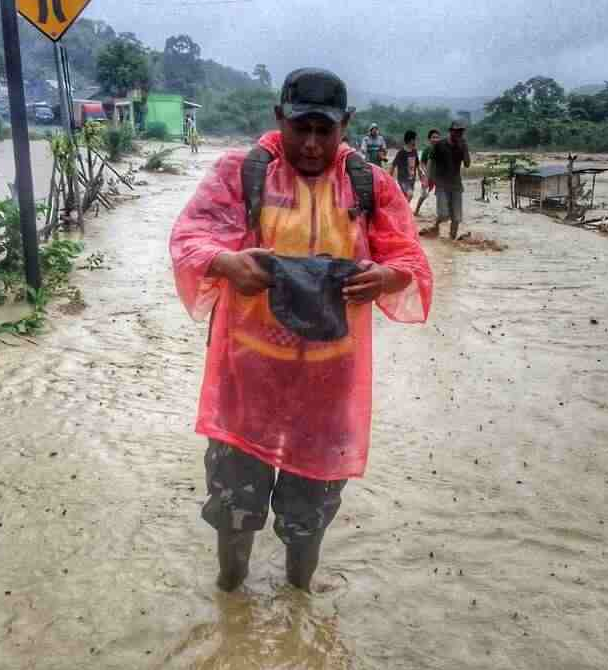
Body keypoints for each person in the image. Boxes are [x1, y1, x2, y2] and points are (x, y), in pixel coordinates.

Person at [170, 68, 432, 593]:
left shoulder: (369, 185)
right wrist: (226, 262)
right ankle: (231, 598)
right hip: (247, 380)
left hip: (329, 389)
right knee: (234, 511)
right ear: (279, 119)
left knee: (308, 518)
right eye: (300, 129)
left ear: (346, 126)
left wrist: (386, 275)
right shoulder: (239, 173)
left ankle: (298, 599)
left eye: (325, 131)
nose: (311, 144)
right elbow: (188, 239)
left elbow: (412, 261)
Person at [427, 120, 471, 239]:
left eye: (461, 132)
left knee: (456, 218)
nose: (459, 134)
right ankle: (435, 225)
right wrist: (429, 179)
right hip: (441, 184)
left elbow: (467, 164)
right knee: (444, 214)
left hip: (456, 185)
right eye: (456, 131)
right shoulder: (440, 145)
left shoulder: (462, 145)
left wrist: (465, 148)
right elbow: (431, 162)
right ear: (451, 131)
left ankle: (451, 241)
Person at [414, 128, 441, 216]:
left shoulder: (442, 150)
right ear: (429, 139)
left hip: (439, 176)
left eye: (437, 137)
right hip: (428, 176)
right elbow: (422, 163)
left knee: (441, 194)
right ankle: (417, 210)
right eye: (433, 137)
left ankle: (441, 213)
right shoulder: (427, 150)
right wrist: (426, 173)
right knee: (424, 195)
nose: (435, 139)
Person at [390, 130, 420, 202]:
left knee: (405, 196)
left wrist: (421, 174)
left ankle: (402, 210)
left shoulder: (414, 151)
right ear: (410, 140)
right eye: (415, 139)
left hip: (412, 178)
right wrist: (390, 177)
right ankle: (405, 210)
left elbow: (417, 164)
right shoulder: (401, 152)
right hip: (403, 179)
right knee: (410, 194)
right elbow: (393, 165)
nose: (416, 141)